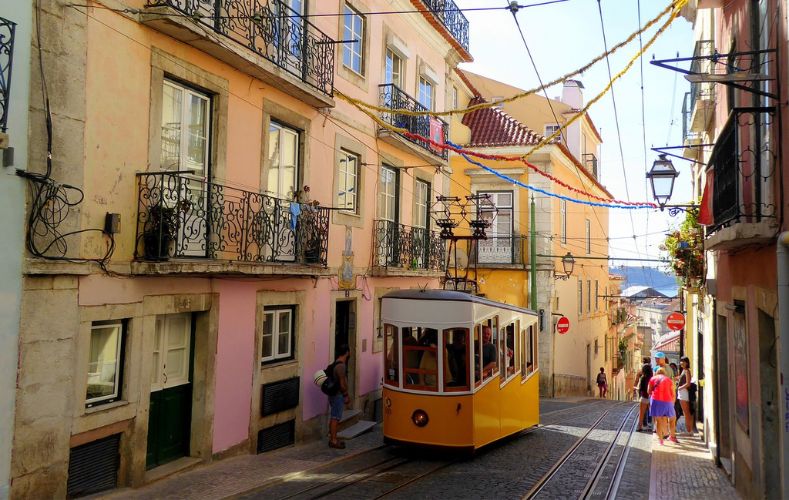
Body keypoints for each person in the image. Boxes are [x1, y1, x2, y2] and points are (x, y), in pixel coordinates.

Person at [328, 344, 351, 449]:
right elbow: (342, 384)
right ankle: (333, 440)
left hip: (333, 395)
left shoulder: (335, 363)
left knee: (334, 417)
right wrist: (346, 395)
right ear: (347, 352)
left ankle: (333, 439)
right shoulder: (341, 366)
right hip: (338, 395)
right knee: (335, 418)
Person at [648, 366, 678, 445]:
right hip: (667, 401)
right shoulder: (669, 380)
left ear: (656, 373)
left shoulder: (652, 379)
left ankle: (661, 441)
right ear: (665, 373)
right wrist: (673, 403)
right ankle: (672, 436)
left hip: (656, 401)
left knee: (658, 421)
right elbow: (673, 393)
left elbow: (649, 391)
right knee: (672, 419)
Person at [654, 352, 677, 438]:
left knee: (668, 416)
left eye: (658, 358)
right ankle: (664, 433)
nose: (656, 360)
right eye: (655, 358)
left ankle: (666, 433)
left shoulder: (668, 369)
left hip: (666, 395)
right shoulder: (657, 368)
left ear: (663, 359)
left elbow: (671, 382)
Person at [677, 356, 696, 435]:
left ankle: (689, 431)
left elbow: (688, 383)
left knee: (686, 412)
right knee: (686, 412)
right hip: (682, 393)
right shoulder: (683, 371)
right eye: (681, 361)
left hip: (684, 393)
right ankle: (689, 430)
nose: (681, 363)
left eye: (683, 361)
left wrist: (680, 388)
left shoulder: (687, 371)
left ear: (686, 363)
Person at [635, 362, 652, 432]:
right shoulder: (652, 377)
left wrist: (635, 389)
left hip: (644, 397)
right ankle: (655, 428)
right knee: (653, 413)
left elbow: (641, 388)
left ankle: (639, 427)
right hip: (651, 397)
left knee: (641, 413)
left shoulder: (643, 378)